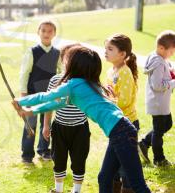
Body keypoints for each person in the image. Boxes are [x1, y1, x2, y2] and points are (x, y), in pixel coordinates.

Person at [12, 46, 151, 193]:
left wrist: (21, 101)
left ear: (74, 64)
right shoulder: (85, 84)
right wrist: (30, 111)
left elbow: (45, 96)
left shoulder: (74, 85)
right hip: (120, 131)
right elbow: (57, 103)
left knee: (137, 184)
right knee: (104, 178)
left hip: (121, 132)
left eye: (67, 59)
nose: (64, 61)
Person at [43, 43, 89, 193]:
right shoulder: (55, 80)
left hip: (80, 128)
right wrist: (45, 126)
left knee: (79, 160)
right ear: (63, 60)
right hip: (59, 127)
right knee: (59, 160)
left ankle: (76, 190)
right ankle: (58, 190)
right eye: (69, 58)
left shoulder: (85, 81)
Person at [19, 20, 60, 163]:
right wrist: (23, 96)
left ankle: (43, 149)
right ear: (38, 32)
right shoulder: (32, 51)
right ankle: (27, 154)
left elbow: (61, 73)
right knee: (30, 123)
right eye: (43, 31)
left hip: (50, 94)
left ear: (54, 33)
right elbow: (24, 74)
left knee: (46, 123)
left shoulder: (57, 53)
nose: (46, 34)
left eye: (50, 31)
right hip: (32, 94)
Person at [105, 34, 139, 193]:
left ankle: (128, 189)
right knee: (114, 163)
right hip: (115, 124)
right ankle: (114, 187)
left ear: (122, 54)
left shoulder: (125, 72)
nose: (106, 51)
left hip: (127, 124)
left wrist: (108, 100)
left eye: (110, 49)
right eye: (105, 48)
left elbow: (124, 100)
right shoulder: (111, 71)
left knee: (126, 165)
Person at [138, 30, 175, 167]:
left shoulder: (160, 59)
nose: (172, 55)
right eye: (171, 52)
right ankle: (159, 159)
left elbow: (166, 72)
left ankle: (143, 143)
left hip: (162, 102)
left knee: (167, 124)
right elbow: (158, 85)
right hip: (157, 102)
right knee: (158, 132)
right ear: (161, 48)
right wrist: (173, 82)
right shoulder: (157, 62)